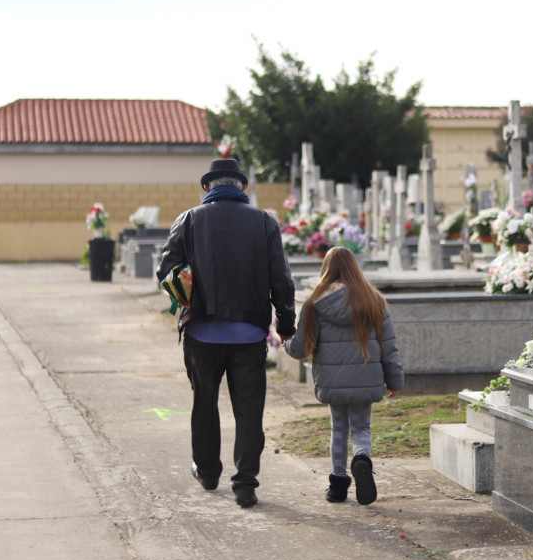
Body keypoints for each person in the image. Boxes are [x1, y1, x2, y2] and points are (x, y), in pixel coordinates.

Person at [156, 157, 296, 508]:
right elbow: (281, 278)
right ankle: (245, 484)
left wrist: (190, 298)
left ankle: (207, 472)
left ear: (208, 187)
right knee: (249, 411)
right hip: (249, 335)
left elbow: (165, 270)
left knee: (204, 403)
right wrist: (286, 322)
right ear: (242, 187)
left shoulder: (188, 220)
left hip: (201, 332)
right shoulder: (265, 222)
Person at [284, 246, 403, 505]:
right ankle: (362, 458)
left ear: (326, 269)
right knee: (361, 427)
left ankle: (338, 486)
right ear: (354, 267)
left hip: (333, 379)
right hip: (366, 376)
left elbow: (301, 348)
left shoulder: (315, 303)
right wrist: (394, 380)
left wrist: (284, 341)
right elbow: (389, 346)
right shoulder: (375, 301)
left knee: (339, 428)